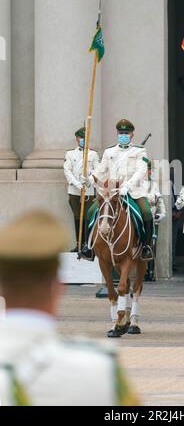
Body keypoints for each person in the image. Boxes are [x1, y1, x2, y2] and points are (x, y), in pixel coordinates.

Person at [0, 211, 137, 406]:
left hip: (127, 193)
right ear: (57, 288)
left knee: (143, 214)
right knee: (93, 214)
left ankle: (145, 244)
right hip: (103, 193)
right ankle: (89, 247)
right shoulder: (101, 366)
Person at [91, 119, 154, 261]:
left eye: (126, 133)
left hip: (133, 191)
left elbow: (141, 171)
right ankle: (88, 247)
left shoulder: (140, 151)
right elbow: (101, 170)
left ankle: (146, 247)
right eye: (121, 133)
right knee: (91, 212)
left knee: (146, 212)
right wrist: (89, 179)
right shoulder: (109, 151)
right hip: (112, 192)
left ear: (132, 134)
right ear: (117, 133)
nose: (123, 135)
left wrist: (127, 186)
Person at [63, 127, 100, 255]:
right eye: (81, 138)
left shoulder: (93, 154)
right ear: (77, 139)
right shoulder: (70, 154)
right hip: (74, 190)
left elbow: (98, 170)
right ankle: (78, 244)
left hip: (89, 191)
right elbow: (67, 170)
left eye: (85, 138)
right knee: (77, 217)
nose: (83, 140)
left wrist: (89, 180)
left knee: (88, 217)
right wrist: (77, 184)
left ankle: (87, 244)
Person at [143, 159, 166, 280]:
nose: (148, 172)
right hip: (141, 218)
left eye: (149, 169)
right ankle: (142, 270)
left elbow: (160, 201)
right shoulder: (137, 184)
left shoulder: (154, 184)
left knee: (152, 244)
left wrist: (161, 214)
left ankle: (150, 271)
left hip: (153, 217)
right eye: (147, 169)